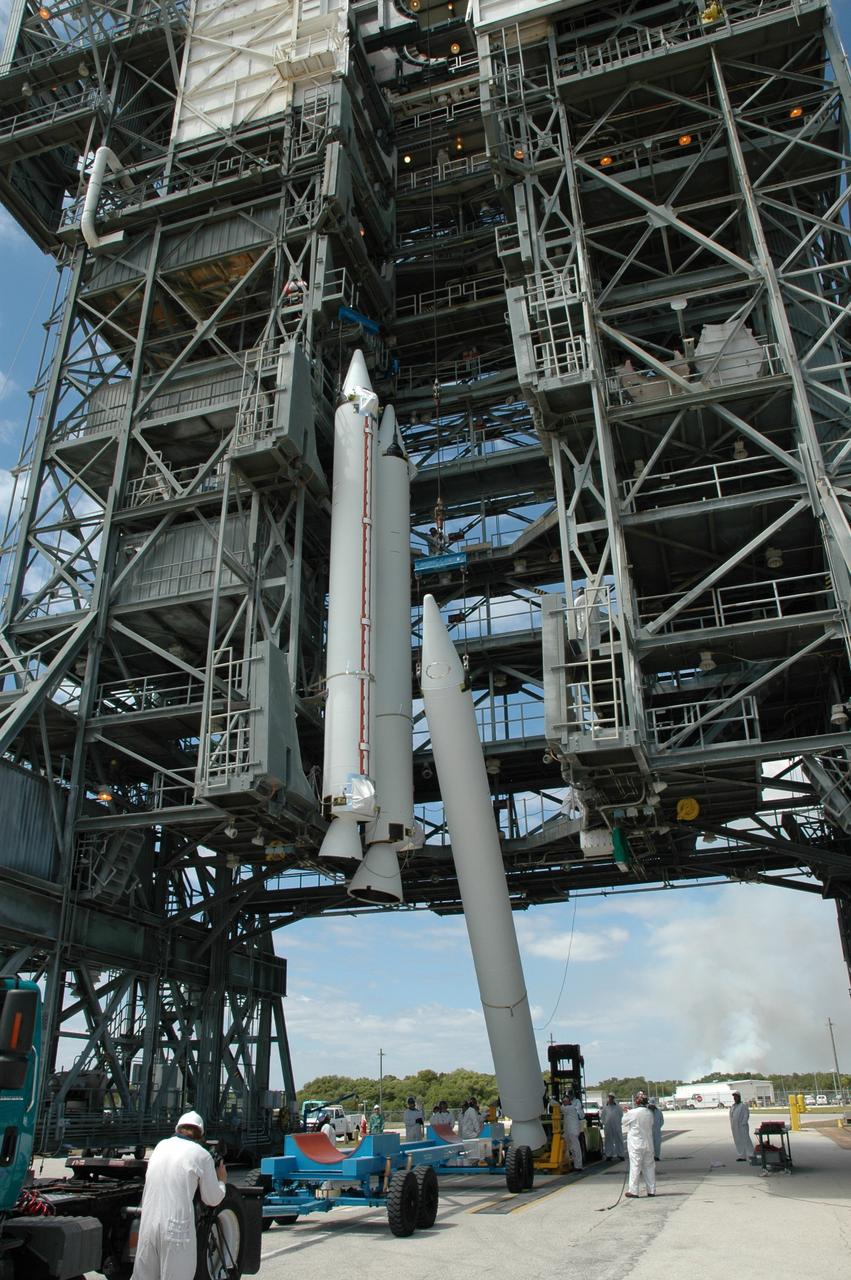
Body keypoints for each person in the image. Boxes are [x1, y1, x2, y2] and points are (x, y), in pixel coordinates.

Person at [132, 1110, 226, 1280]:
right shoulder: (202, 1155)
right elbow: (212, 1199)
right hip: (175, 1230)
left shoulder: (160, 1146)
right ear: (200, 1135)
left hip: (148, 1227)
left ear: (177, 1129)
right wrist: (221, 1182)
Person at [622, 1092, 656, 1198]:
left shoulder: (633, 1112)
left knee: (635, 1166)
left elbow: (623, 1121)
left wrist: (627, 1112)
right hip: (648, 1143)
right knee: (649, 1167)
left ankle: (633, 1191)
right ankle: (651, 1190)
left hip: (636, 1144)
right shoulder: (650, 1113)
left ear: (637, 1101)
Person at [560, 1090, 584, 1171]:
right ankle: (573, 1164)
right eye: (563, 1101)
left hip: (573, 1131)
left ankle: (578, 1165)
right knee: (571, 1148)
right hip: (569, 1131)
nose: (564, 1103)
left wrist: (552, 1101)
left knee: (575, 1148)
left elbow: (560, 1108)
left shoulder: (569, 1108)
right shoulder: (569, 1107)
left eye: (565, 1101)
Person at [601, 1094, 624, 1160]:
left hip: (617, 1125)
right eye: (609, 1097)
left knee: (619, 1139)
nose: (610, 1099)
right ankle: (609, 1155)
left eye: (612, 1098)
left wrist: (619, 1123)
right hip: (608, 1126)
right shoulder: (605, 1107)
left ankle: (620, 1154)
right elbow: (602, 1116)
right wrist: (604, 1123)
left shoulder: (618, 1107)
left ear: (614, 1098)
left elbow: (621, 1115)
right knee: (608, 1140)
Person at [730, 1091, 751, 1161]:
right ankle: (742, 1156)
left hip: (742, 1127)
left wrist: (743, 1123)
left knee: (746, 1140)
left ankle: (751, 1155)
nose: (735, 1098)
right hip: (735, 1127)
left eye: (736, 1097)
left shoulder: (743, 1106)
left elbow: (746, 1115)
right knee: (738, 1141)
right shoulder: (733, 1106)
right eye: (734, 1097)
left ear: (739, 1097)